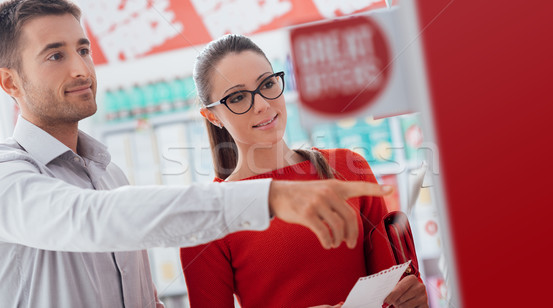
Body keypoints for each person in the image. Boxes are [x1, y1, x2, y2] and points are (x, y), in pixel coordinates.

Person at [0, 1, 392, 307]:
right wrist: (269, 196)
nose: (81, 69)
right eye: (55, 55)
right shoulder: (9, 176)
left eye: (83, 49)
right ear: (9, 81)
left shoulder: (109, 177)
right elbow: (90, 218)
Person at [180, 34, 428, 308]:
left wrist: (411, 297)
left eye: (267, 84)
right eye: (237, 97)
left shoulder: (349, 169)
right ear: (212, 116)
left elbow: (391, 284)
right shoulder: (206, 220)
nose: (262, 104)